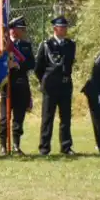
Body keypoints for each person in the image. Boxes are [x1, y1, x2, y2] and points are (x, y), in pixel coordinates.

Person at [34, 16, 76, 155]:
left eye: (65, 27)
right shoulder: (46, 44)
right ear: (55, 28)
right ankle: (44, 147)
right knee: (47, 117)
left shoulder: (70, 44)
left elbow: (69, 64)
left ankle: (66, 146)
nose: (64, 29)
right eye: (62, 27)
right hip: (50, 86)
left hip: (65, 84)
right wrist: (45, 80)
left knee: (66, 117)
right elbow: (38, 67)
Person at [0, 16, 35, 154]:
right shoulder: (3, 45)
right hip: (6, 84)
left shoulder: (26, 45)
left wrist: (18, 64)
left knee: (19, 117)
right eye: (21, 29)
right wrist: (6, 65)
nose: (23, 31)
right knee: (4, 118)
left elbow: (32, 63)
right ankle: (3, 145)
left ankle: (15, 145)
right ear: (13, 30)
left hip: (21, 84)